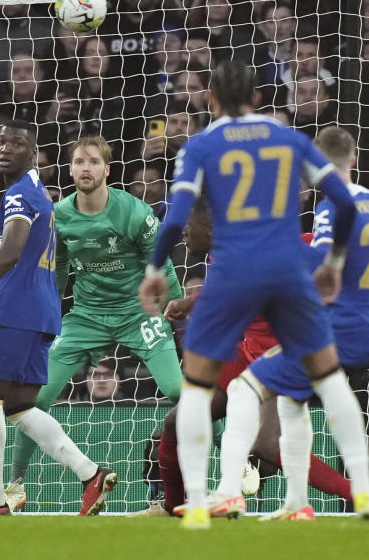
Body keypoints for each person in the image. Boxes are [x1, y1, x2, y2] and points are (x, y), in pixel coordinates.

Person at [139, 59, 369, 530]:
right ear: (257, 97)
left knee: (195, 387)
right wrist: (333, 264)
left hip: (232, 271)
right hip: (287, 269)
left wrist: (155, 268)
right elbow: (345, 202)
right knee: (330, 378)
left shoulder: (201, 145)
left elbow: (175, 219)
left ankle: (195, 505)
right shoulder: (288, 138)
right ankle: (367, 494)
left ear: (210, 100)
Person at [233, 126, 369, 521]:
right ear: (355, 160)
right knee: (294, 401)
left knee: (248, 388)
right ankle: (299, 501)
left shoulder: (329, 210)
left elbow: (321, 265)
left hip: (336, 330)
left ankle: (349, 492)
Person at [132, 201, 354, 518]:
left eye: (187, 228)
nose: (183, 235)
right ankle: (172, 507)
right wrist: (190, 303)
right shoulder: (222, 253)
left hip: (283, 355)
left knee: (267, 444)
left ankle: (354, 494)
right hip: (248, 352)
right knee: (177, 423)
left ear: (209, 230)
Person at [0, 119, 117, 516]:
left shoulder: (20, 195)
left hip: (16, 313)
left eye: (16, 143)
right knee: (18, 406)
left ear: (34, 153)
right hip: (42, 311)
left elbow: (12, 252)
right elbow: (26, 265)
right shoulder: (40, 196)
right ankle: (90, 475)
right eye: (1, 142)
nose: (5, 149)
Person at [4, 135, 183, 511]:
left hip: (138, 314)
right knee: (32, 399)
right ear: (70, 169)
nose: (86, 168)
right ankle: (16, 482)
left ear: (107, 169)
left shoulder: (133, 211)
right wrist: (45, 314)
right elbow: (61, 267)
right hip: (86, 318)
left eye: (93, 162)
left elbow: (162, 262)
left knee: (178, 390)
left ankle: (243, 459)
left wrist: (176, 306)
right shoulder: (60, 215)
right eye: (79, 162)